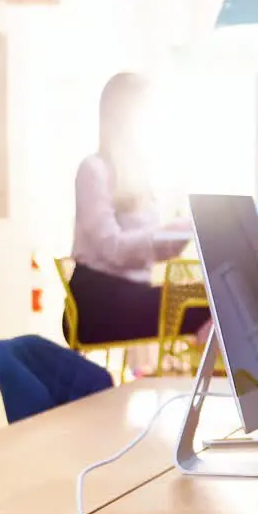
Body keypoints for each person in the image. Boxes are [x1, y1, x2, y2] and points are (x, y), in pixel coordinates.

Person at [65, 72, 212, 362]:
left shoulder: (139, 176)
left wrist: (183, 231)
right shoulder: (94, 169)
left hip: (131, 293)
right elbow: (114, 248)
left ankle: (206, 379)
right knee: (209, 306)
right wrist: (163, 233)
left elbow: (147, 251)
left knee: (218, 297)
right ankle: (207, 381)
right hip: (97, 300)